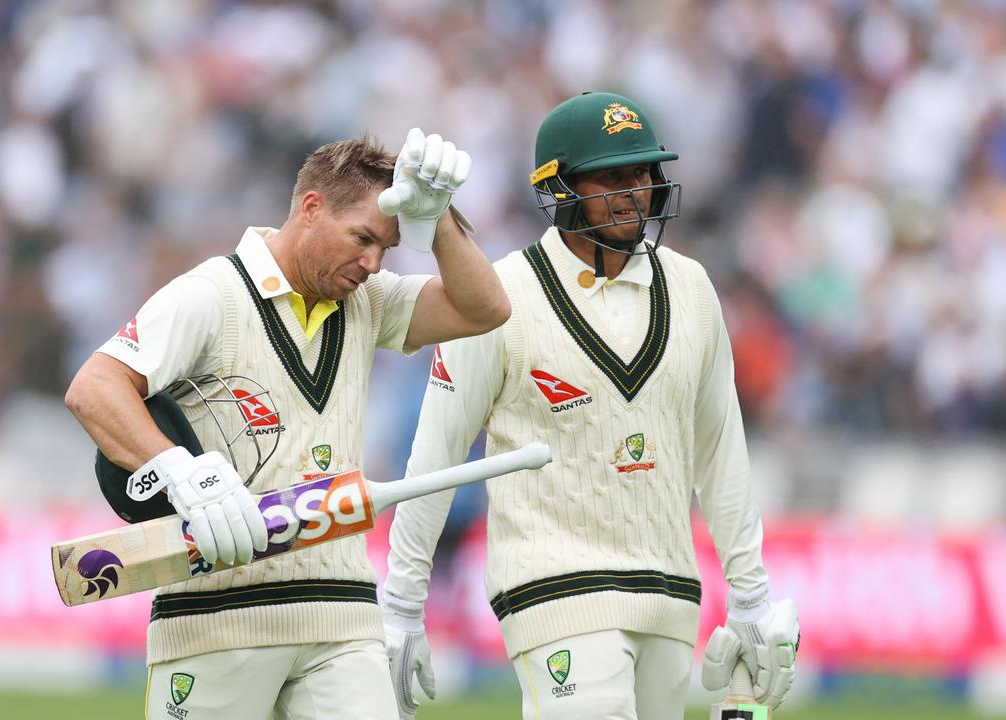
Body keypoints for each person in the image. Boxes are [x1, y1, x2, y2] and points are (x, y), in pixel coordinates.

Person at [64, 128, 510, 720]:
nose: (373, 263)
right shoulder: (211, 294)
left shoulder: (368, 301)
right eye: (362, 239)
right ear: (310, 208)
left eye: (387, 249)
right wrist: (180, 471)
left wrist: (441, 220)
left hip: (342, 614)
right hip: (217, 616)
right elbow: (94, 388)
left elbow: (485, 309)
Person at [382, 92, 800, 720]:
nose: (635, 191)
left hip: (669, 590)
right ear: (559, 187)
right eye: (612, 176)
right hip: (554, 586)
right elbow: (435, 455)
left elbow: (721, 451)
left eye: (644, 174)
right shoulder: (498, 297)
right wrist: (402, 605)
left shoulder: (691, 288)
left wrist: (749, 597)